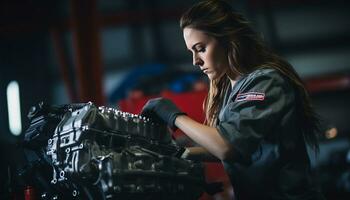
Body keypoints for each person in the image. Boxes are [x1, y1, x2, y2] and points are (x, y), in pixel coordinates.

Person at [141, 0, 325, 199]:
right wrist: (181, 154)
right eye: (191, 52)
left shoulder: (267, 81)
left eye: (201, 48)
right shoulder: (230, 89)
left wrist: (173, 115)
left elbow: (227, 147)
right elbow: (243, 150)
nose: (196, 61)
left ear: (227, 40)